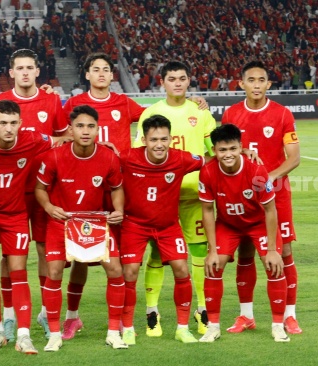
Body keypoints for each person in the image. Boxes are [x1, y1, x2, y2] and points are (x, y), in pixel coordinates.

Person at [59, 53, 208, 341]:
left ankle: (123, 325)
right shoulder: (74, 104)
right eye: (96, 69)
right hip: (88, 188)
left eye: (106, 69)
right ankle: (72, 318)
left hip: (122, 193)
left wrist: (194, 103)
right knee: (80, 259)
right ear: (87, 74)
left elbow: (158, 117)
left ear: (112, 75)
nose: (102, 74)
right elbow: (59, 133)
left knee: (120, 267)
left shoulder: (124, 103)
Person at [0, 100, 68, 354]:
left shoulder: (32, 139)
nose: (8, 129)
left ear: (20, 124)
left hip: (15, 215)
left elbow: (64, 139)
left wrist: (105, 146)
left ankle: (23, 335)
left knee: (18, 271)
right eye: (3, 123)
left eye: (13, 123)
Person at [0, 49, 69, 340]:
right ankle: (8, 317)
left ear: (37, 71)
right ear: (12, 72)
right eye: (20, 68)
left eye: (30, 67)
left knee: (44, 249)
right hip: (7, 193)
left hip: (43, 189)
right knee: (10, 255)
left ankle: (43, 313)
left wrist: (50, 141)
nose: (26, 72)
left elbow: (66, 136)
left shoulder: (51, 100)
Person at [133, 61, 216, 337]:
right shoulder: (152, 112)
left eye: (182, 78)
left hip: (194, 196)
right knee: (157, 253)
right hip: (160, 199)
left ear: (189, 81)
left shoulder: (200, 112)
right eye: (172, 78)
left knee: (199, 254)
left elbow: (214, 151)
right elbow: (138, 155)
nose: (177, 83)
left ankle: (202, 309)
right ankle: (152, 312)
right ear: (162, 82)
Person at [35, 105, 127, 351]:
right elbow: (40, 189)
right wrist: (49, 208)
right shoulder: (54, 156)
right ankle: (54, 332)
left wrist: (118, 210)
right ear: (71, 129)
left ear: (98, 129)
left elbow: (117, 187)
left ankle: (113, 331)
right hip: (62, 221)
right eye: (80, 126)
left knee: (115, 269)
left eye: (90, 126)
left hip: (94, 221)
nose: (85, 131)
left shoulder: (108, 157)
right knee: (54, 272)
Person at [221, 60, 302, 334]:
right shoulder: (231, 114)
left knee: (284, 252)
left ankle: (290, 316)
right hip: (242, 196)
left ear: (268, 84)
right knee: (245, 252)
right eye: (251, 80)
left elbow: (294, 158)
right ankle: (246, 316)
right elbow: (224, 151)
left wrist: (268, 177)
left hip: (277, 195)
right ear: (241, 84)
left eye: (261, 80)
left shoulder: (282, 114)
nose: (256, 85)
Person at [197, 123, 289, 343]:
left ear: (240, 148)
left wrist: (272, 249)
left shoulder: (257, 171)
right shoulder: (207, 172)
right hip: (228, 225)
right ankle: (213, 327)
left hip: (258, 224)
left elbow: (270, 209)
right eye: (222, 150)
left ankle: (278, 325)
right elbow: (208, 211)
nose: (228, 154)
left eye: (232, 149)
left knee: (273, 265)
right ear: (215, 151)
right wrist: (211, 250)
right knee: (213, 265)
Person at [119, 115, 205, 345]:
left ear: (170, 139)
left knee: (181, 269)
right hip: (134, 225)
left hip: (168, 226)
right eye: (154, 139)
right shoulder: (128, 157)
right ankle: (127, 327)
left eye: (164, 139)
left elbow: (209, 161)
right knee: (129, 273)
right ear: (144, 140)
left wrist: (241, 154)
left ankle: (183, 328)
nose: (159, 144)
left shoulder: (181, 159)